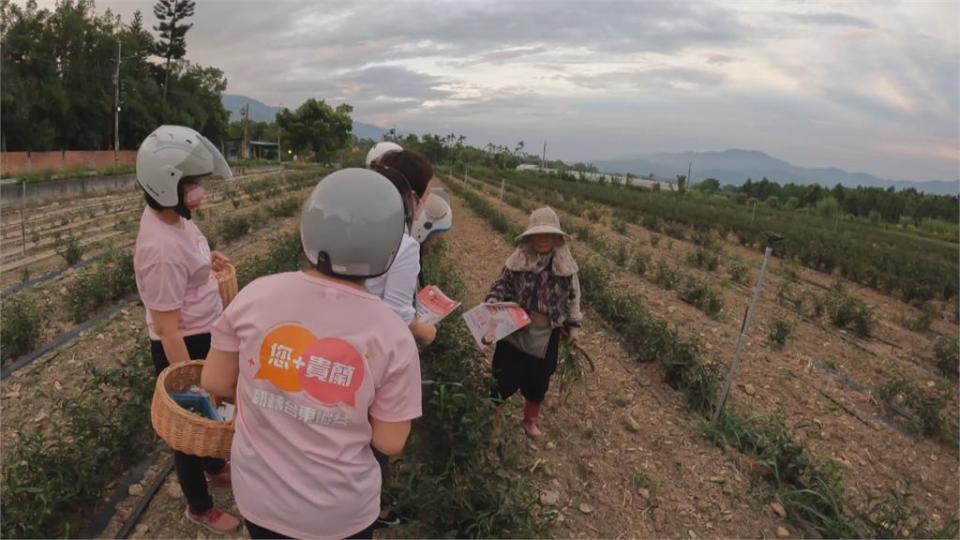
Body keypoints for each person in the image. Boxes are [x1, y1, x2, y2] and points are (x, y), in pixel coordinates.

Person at [201, 168, 423, 539]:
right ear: (389, 248)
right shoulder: (392, 334)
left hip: (260, 498)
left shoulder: (256, 295)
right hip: (341, 512)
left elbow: (214, 381)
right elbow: (390, 441)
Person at [132, 125, 240, 533]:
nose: (200, 190)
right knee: (190, 423)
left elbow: (188, 250)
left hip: (203, 331)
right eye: (192, 183)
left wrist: (205, 259)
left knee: (214, 406)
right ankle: (199, 504)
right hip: (182, 343)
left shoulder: (176, 218)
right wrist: (191, 379)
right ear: (167, 185)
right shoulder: (158, 250)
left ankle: (214, 466)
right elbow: (166, 327)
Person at [485, 207, 583, 438]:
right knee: (503, 376)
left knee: (539, 381)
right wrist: (492, 302)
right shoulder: (517, 260)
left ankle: (529, 420)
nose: (542, 239)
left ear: (557, 238)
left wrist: (573, 329)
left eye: (548, 235)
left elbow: (573, 299)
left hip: (547, 333)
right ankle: (494, 418)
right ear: (530, 236)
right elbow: (501, 284)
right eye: (538, 234)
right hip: (514, 327)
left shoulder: (566, 267)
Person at [364, 149, 438, 347]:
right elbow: (397, 318)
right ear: (413, 198)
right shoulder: (404, 244)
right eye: (426, 194)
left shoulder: (355, 224)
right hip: (371, 344)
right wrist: (428, 333)